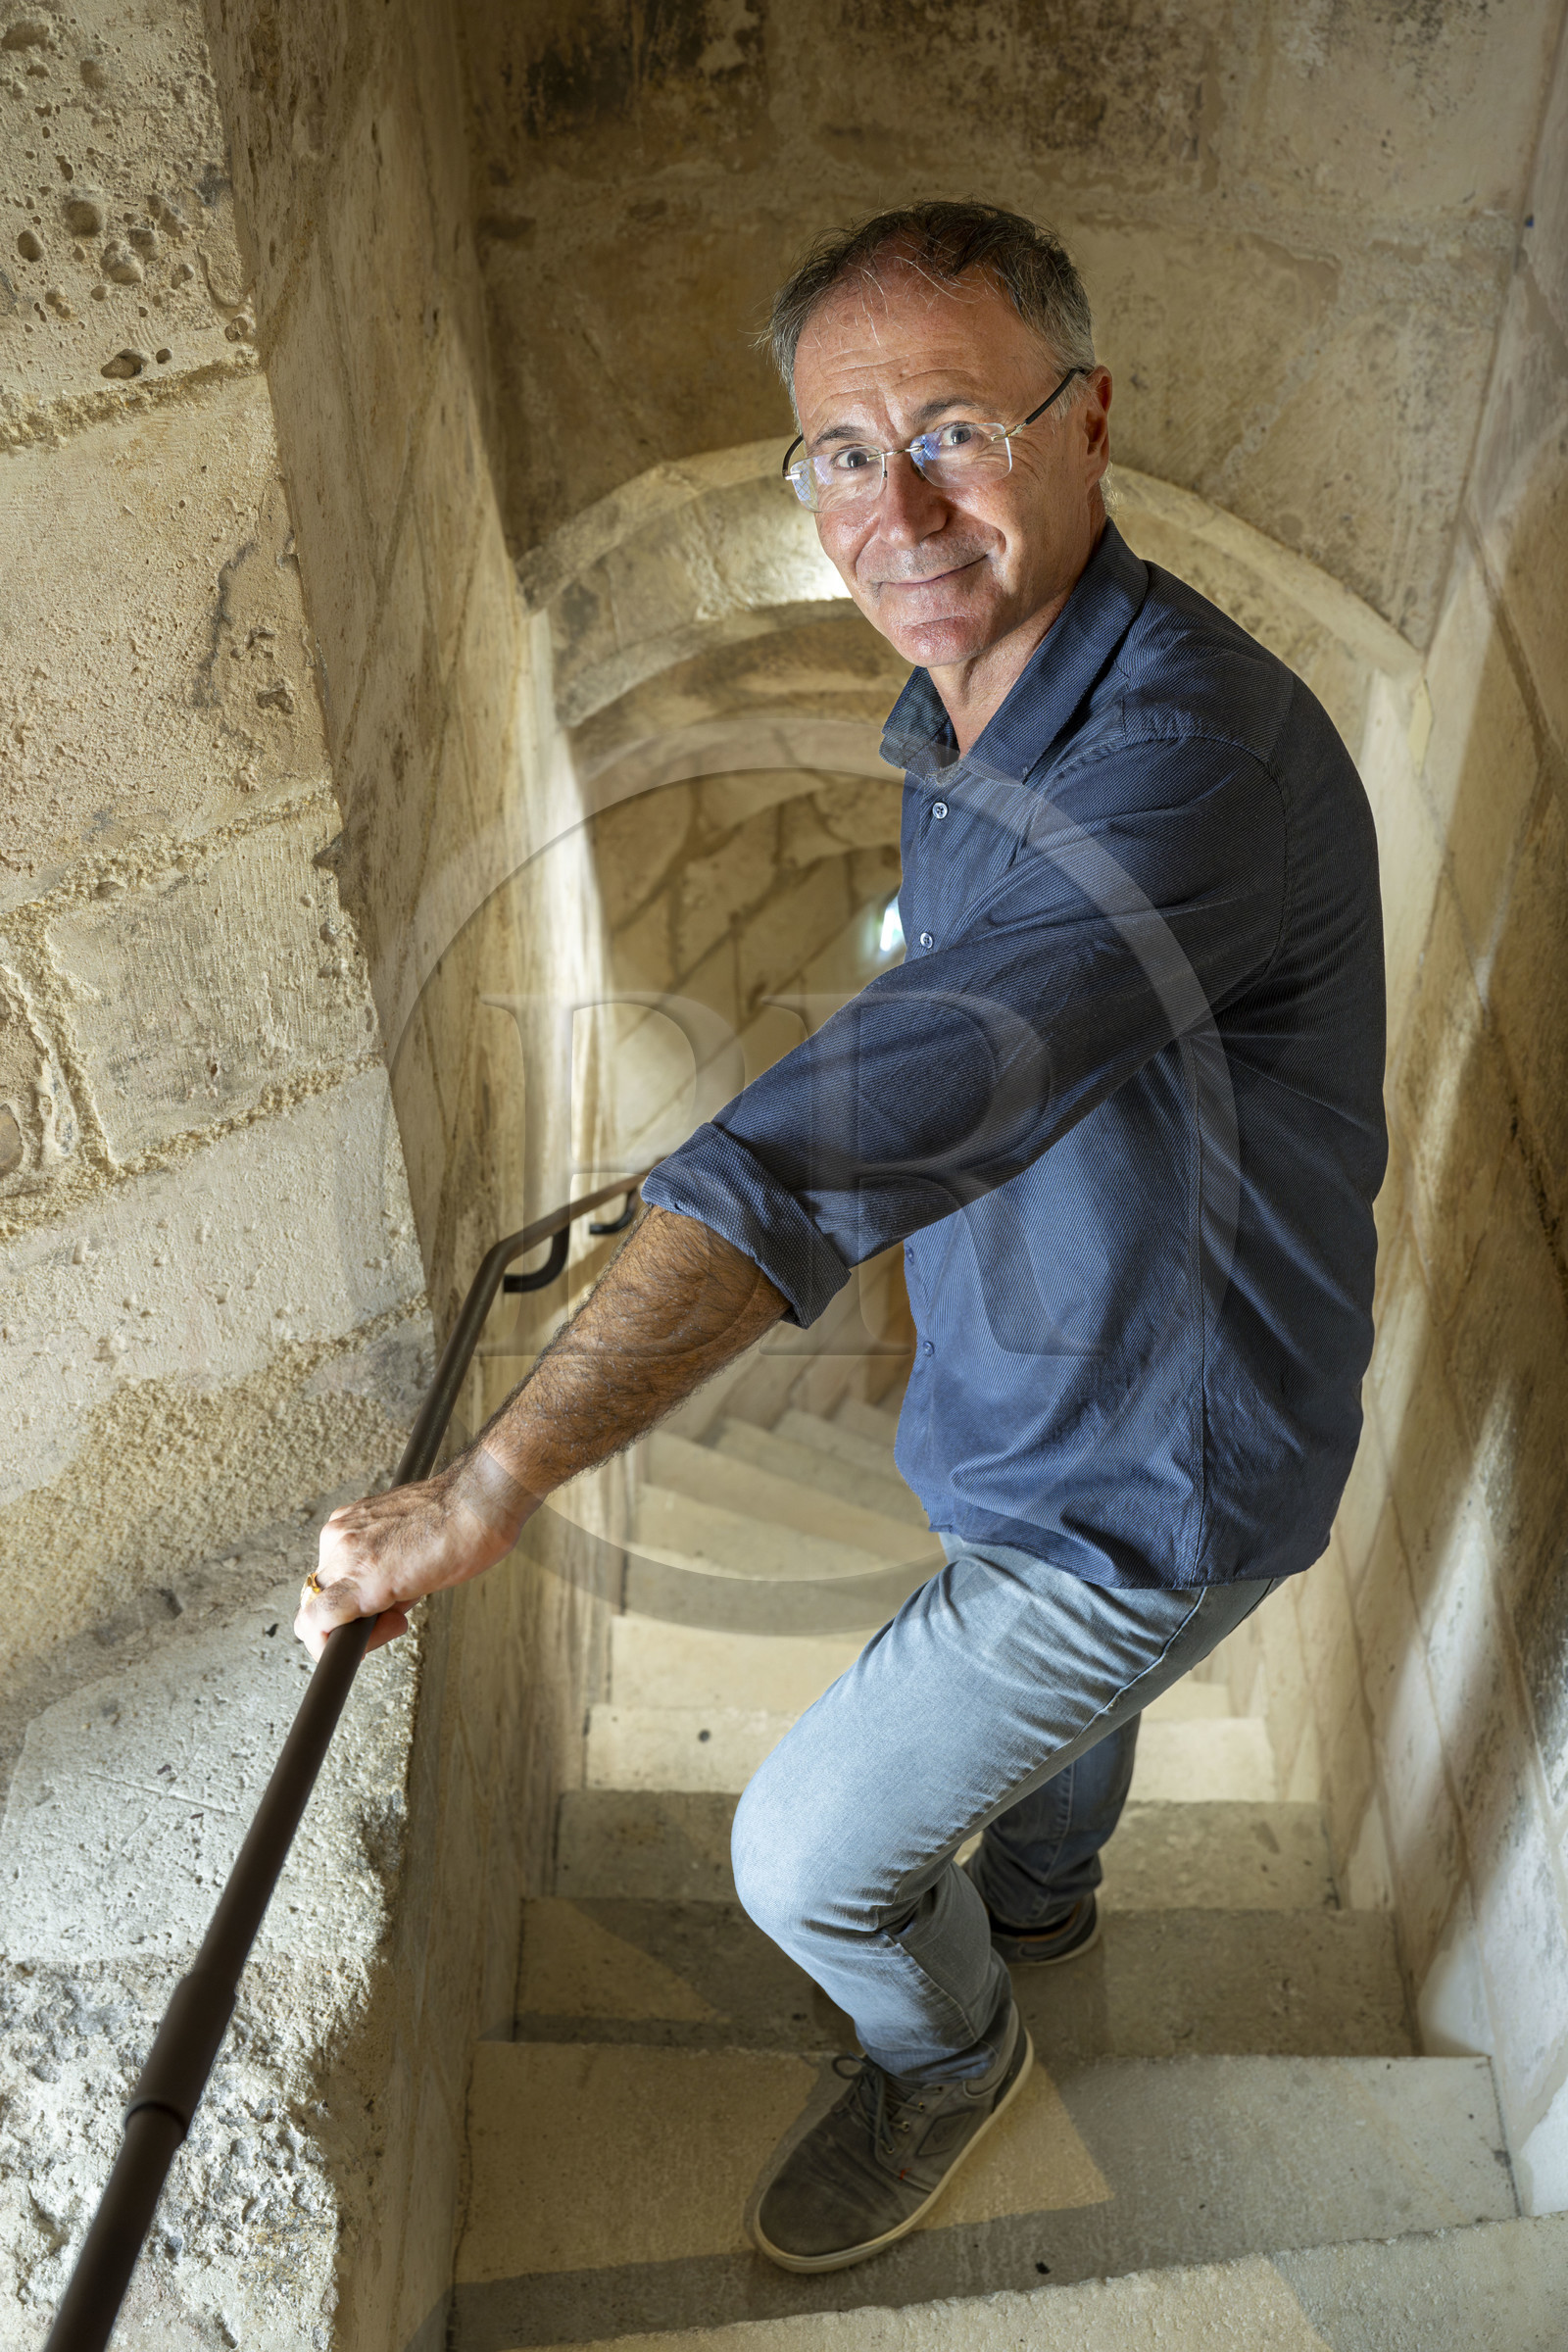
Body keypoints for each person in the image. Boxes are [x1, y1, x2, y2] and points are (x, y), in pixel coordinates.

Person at [295, 202, 1387, 2276]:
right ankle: (1043, 1904)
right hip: (1041, 1394)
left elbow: (826, 1151)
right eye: (838, 453)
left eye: (956, 430)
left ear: (1089, 423)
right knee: (1054, 1759)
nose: (896, 509)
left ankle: (950, 2055)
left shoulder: (1182, 769)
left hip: (1155, 1475)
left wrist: (492, 1481)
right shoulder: (965, 710)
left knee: (805, 1856)